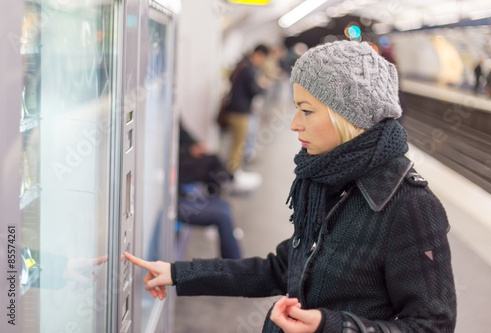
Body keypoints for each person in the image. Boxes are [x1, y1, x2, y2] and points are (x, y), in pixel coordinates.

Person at [125, 41, 456, 332]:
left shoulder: (409, 206)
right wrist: (178, 273)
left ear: (349, 117)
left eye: (307, 111)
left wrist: (333, 327)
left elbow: (432, 326)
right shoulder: (324, 181)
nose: (295, 124)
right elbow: (281, 269)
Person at [176, 122, 247, 259]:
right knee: (222, 212)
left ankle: (235, 268)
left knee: (223, 207)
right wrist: (189, 150)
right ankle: (235, 268)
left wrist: (193, 145)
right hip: (172, 202)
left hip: (176, 190)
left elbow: (180, 128)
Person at [225, 44, 269, 176]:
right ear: (258, 54)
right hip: (240, 112)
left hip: (233, 109)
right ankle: (234, 173)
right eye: (262, 58)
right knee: (238, 145)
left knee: (235, 143)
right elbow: (254, 91)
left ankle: (233, 171)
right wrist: (262, 86)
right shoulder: (248, 69)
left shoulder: (241, 65)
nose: (261, 62)